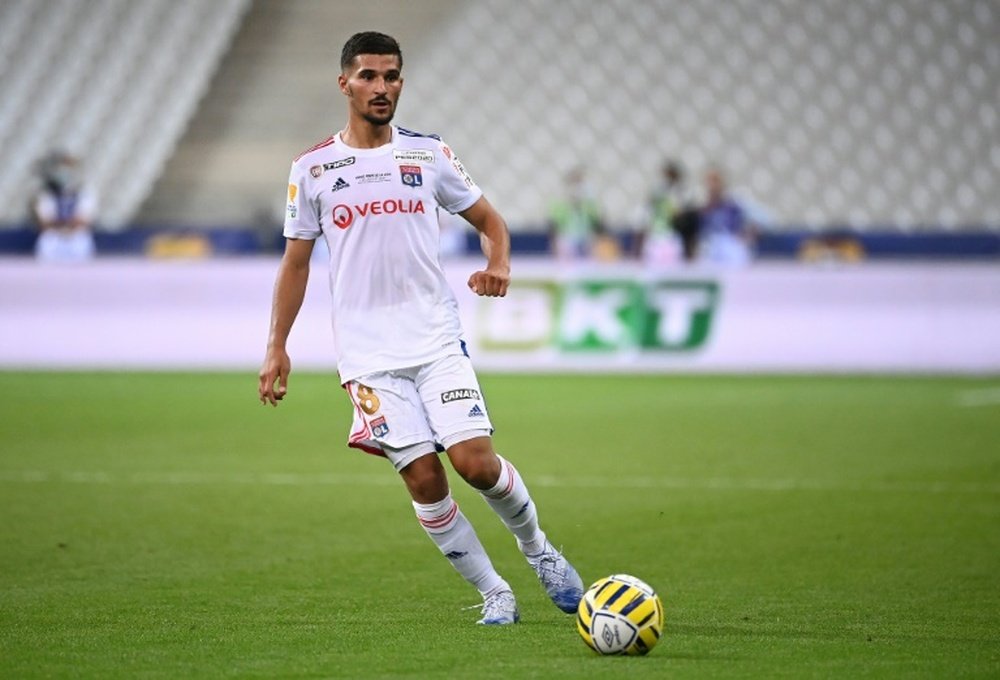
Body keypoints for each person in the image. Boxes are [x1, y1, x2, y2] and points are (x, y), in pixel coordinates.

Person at [258, 32, 583, 626]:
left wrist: (499, 263)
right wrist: (276, 346)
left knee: (476, 463)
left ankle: (540, 552)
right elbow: (296, 263)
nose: (381, 88)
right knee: (425, 478)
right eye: (368, 76)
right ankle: (494, 592)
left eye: (391, 77)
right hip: (367, 357)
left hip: (435, 339)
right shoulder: (312, 169)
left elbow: (491, 221)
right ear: (345, 83)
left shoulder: (429, 155)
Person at [31, 151, 98, 262]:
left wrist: (64, 224)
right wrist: (63, 224)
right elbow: (44, 222)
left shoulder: (84, 192)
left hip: (76, 237)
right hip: (54, 237)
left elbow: (84, 220)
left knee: (83, 240)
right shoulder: (46, 193)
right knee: (46, 241)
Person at [636, 159, 700, 264]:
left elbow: (684, 218)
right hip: (656, 235)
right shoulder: (657, 193)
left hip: (673, 235)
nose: (668, 178)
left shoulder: (684, 193)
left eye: (672, 175)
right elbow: (646, 217)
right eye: (667, 175)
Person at [697, 166, 756, 266]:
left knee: (739, 254)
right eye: (709, 181)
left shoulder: (734, 204)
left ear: (722, 183)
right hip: (708, 245)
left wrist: (748, 233)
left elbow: (750, 225)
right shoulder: (702, 208)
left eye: (715, 180)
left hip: (730, 243)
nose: (712, 185)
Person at [546, 167, 605, 260]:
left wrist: (598, 238)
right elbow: (554, 223)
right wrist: (554, 243)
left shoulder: (590, 200)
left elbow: (596, 221)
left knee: (588, 263)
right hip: (567, 237)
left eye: (579, 181)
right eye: (574, 180)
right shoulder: (560, 200)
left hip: (586, 236)